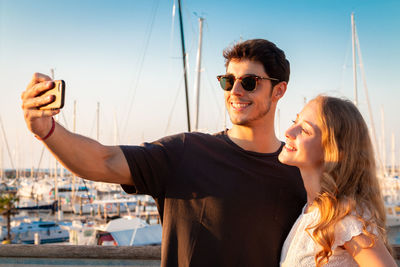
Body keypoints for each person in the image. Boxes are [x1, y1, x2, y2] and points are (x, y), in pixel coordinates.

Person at [21, 39, 306, 266]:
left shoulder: (300, 172)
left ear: (278, 90)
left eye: (250, 82)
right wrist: (46, 130)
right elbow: (103, 160)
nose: (235, 91)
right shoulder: (186, 152)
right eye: (228, 81)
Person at [278, 95, 396, 267]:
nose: (288, 132)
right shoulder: (311, 210)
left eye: (304, 130)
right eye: (294, 121)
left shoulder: (344, 216)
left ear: (334, 150)